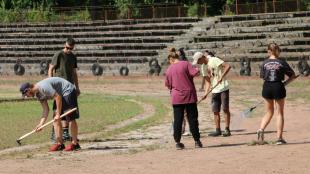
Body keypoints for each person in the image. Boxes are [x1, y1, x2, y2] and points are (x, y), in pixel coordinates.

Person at [19, 77, 80, 151]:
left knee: (70, 117)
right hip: (59, 94)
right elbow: (46, 109)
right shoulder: (38, 95)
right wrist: (40, 124)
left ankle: (75, 143)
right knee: (55, 118)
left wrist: (58, 113)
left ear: (28, 90)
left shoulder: (43, 87)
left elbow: (57, 97)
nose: (27, 96)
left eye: (26, 94)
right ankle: (60, 144)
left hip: (67, 90)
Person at [257, 43, 296, 145]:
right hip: (278, 86)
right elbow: (292, 75)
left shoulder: (264, 63)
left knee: (269, 112)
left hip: (267, 87)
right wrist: (285, 83)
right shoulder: (282, 62)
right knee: (280, 113)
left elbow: (263, 76)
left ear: (268, 51)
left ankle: (261, 129)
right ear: (278, 50)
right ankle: (279, 138)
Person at [165, 48, 202, 149]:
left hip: (176, 97)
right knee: (192, 119)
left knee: (178, 120)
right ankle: (197, 141)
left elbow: (168, 85)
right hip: (189, 96)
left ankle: (177, 142)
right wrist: (197, 69)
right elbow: (195, 73)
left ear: (171, 59)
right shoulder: (185, 64)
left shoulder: (169, 69)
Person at [192, 51, 232, 137]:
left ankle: (227, 129)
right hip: (214, 90)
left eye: (198, 61)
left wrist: (222, 76)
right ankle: (218, 130)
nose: (198, 63)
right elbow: (207, 81)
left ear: (201, 58)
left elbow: (228, 66)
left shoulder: (213, 60)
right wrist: (206, 93)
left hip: (223, 87)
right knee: (215, 110)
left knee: (225, 109)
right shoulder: (203, 67)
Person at [48, 37, 80, 142]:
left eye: (70, 48)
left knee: (68, 112)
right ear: (64, 45)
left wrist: (77, 87)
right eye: (67, 48)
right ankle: (55, 134)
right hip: (59, 88)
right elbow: (50, 69)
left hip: (69, 88)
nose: (68, 50)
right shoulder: (59, 54)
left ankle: (65, 133)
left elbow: (74, 73)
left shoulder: (73, 57)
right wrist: (50, 83)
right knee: (56, 110)